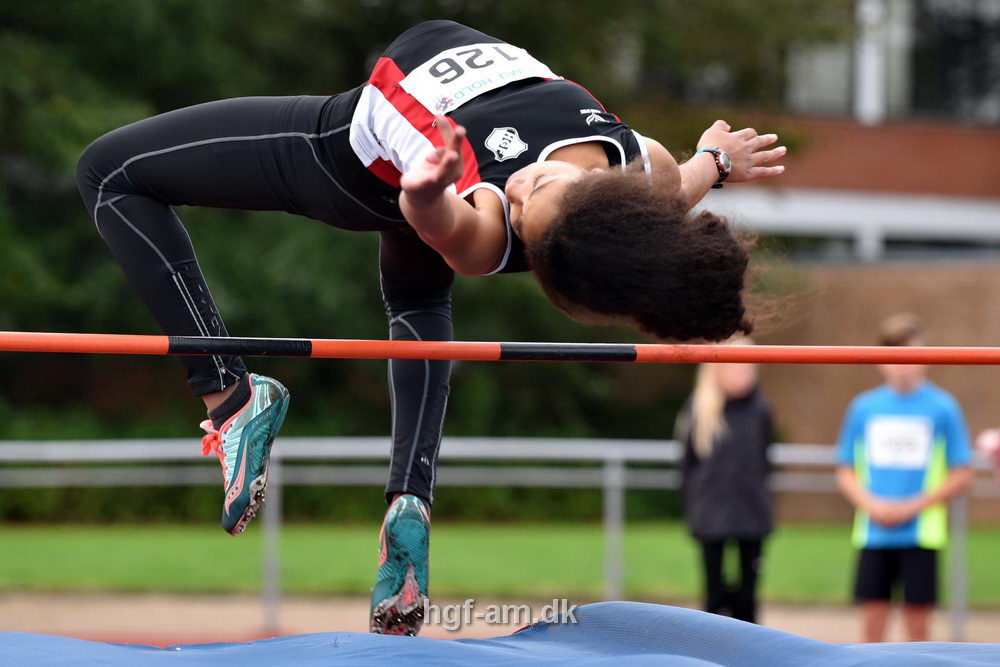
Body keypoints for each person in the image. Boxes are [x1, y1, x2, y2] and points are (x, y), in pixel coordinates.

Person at [75, 20, 786, 635]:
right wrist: (718, 160)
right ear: (612, 203)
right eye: (538, 188)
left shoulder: (487, 225)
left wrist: (423, 191)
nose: (516, 188)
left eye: (521, 205)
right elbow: (686, 182)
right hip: (425, 158)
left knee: (111, 171)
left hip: (364, 164)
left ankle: (229, 395)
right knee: (416, 305)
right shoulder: (646, 174)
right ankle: (409, 499)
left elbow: (448, 220)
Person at [835, 314, 974, 642]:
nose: (903, 366)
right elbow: (844, 469)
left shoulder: (943, 408)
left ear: (926, 357)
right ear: (880, 359)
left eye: (911, 356)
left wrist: (912, 506)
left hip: (920, 532)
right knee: (871, 629)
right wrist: (873, 505)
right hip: (874, 531)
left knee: (918, 631)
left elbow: (962, 473)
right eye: (895, 356)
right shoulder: (863, 408)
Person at [676, 338, 774, 623]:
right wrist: (694, 512)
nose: (745, 373)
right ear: (717, 369)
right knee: (713, 594)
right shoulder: (699, 410)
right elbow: (687, 467)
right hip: (712, 515)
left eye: (749, 367)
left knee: (748, 596)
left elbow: (764, 460)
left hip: (751, 513)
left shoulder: (760, 410)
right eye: (738, 367)